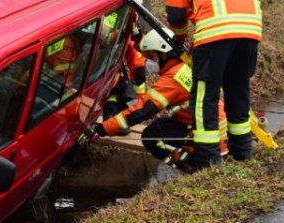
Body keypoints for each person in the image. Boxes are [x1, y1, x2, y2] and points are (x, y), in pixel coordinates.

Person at [164, 0, 262, 171]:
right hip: (250, 31)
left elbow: (176, 13)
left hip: (215, 33)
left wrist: (179, 37)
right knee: (237, 90)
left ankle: (208, 161)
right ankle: (242, 153)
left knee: (204, 97)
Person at [92, 28, 226, 169]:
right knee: (159, 127)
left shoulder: (172, 80)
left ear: (163, 54)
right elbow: (154, 49)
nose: (148, 62)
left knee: (152, 137)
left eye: (150, 57)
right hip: (210, 126)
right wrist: (137, 37)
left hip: (210, 138)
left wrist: (103, 129)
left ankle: (191, 166)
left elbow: (143, 110)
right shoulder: (183, 63)